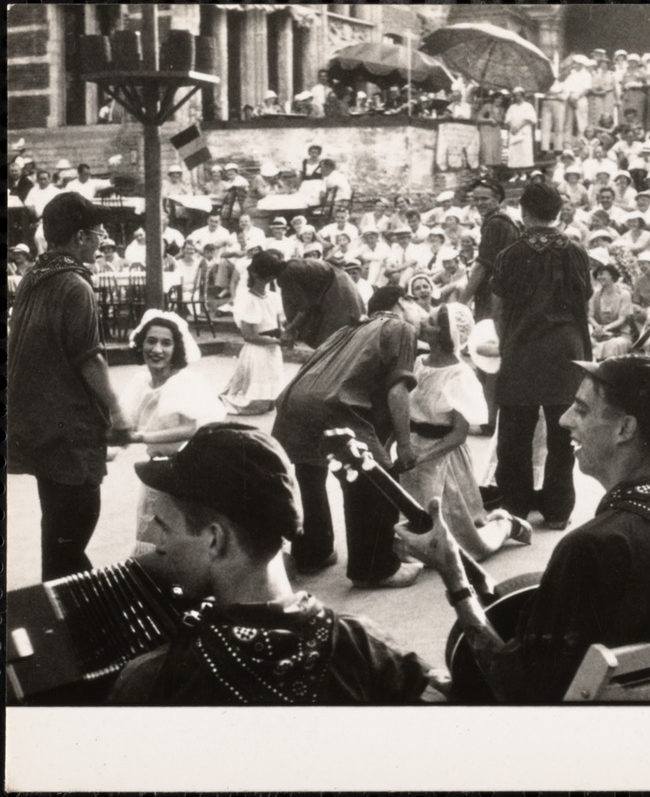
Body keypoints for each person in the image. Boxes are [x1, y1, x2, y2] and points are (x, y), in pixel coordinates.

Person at [399, 354, 650, 702]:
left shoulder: (592, 546)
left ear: (625, 429)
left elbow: (518, 691)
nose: (563, 419)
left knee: (370, 652)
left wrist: (454, 578)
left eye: (582, 410)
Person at [107, 423, 445, 704]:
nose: (154, 538)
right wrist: (456, 581)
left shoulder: (160, 679)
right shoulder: (364, 644)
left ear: (214, 539)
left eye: (163, 526)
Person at [7, 194, 132, 578]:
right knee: (72, 534)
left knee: (58, 534)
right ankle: (82, 621)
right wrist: (118, 414)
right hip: (70, 432)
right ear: (79, 237)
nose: (102, 241)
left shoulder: (34, 276)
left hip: (40, 429)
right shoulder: (75, 285)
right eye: (98, 234)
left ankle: (64, 616)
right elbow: (89, 358)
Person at [272, 285, 423, 586]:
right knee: (377, 481)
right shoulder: (400, 327)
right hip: (333, 405)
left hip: (293, 401)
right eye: (422, 304)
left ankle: (314, 551)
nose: (424, 312)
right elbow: (397, 391)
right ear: (402, 302)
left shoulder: (349, 329)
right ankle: (375, 568)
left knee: (311, 475)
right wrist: (404, 445)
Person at [488, 182, 592, 530]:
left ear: (524, 211)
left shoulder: (510, 254)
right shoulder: (575, 250)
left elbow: (498, 310)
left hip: (522, 349)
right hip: (566, 350)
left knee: (515, 435)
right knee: (564, 436)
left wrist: (508, 343)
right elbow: (583, 303)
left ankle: (515, 507)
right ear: (558, 212)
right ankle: (558, 510)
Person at [402, 303, 532, 561]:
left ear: (445, 333)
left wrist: (422, 457)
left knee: (464, 540)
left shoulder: (460, 374)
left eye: (430, 322)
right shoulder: (418, 362)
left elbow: (458, 435)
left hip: (443, 457)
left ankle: (506, 525)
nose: (423, 325)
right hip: (415, 450)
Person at [119, 310, 226, 556]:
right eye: (151, 341)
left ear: (176, 349)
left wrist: (142, 438)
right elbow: (126, 423)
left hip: (187, 470)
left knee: (179, 534)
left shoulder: (184, 381)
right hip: (157, 470)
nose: (157, 349)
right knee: (152, 531)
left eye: (166, 343)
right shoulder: (140, 382)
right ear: (141, 343)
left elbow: (193, 428)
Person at [220, 251, 287, 416]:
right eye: (267, 275)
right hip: (256, 352)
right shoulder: (247, 299)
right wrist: (277, 342)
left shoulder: (273, 297)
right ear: (256, 275)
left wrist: (285, 335)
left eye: (272, 276)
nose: (270, 279)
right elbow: (248, 336)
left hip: (272, 351)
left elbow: (279, 326)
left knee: (271, 402)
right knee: (256, 405)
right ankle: (223, 402)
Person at [270, 253, 365, 352]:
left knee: (334, 344)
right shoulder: (292, 266)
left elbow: (303, 308)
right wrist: (291, 327)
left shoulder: (288, 273)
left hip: (338, 293)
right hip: (339, 287)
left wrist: (290, 329)